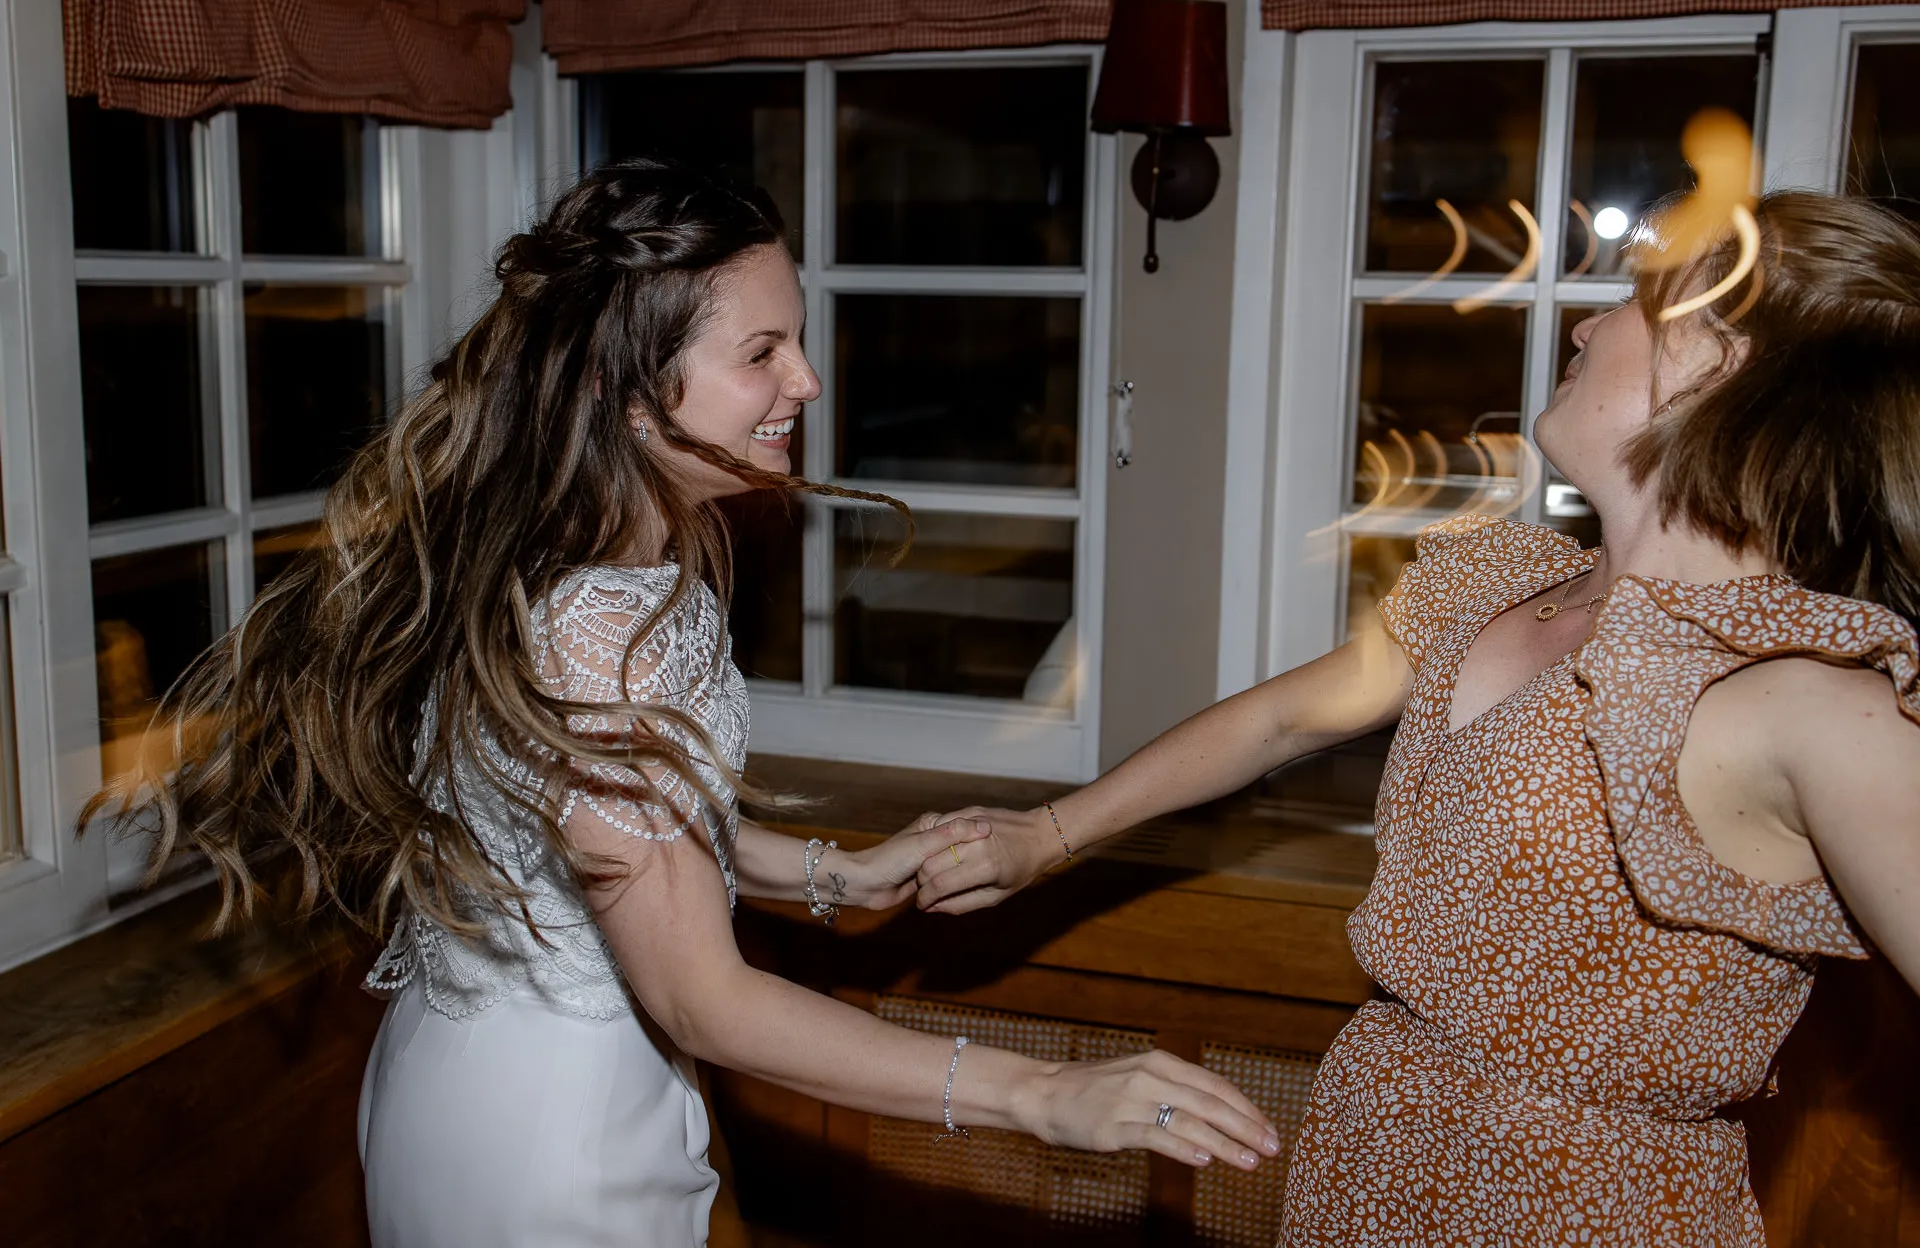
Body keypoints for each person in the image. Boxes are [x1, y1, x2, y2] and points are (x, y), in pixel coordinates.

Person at [85, 159, 1279, 1248]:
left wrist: (833, 873)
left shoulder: (604, 553)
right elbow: (699, 994)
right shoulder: (595, 634)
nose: (806, 380)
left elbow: (623, 830)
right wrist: (1042, 1092)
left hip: (532, 1078)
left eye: (797, 340)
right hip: (546, 1140)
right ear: (626, 392)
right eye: (762, 352)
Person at [912, 190, 1920, 1245]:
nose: (1586, 328)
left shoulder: (1801, 694)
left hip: (1574, 1209)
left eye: (1636, 301)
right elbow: (1279, 724)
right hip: (1371, 1151)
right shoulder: (1494, 588)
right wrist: (1045, 836)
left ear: (1722, 365)